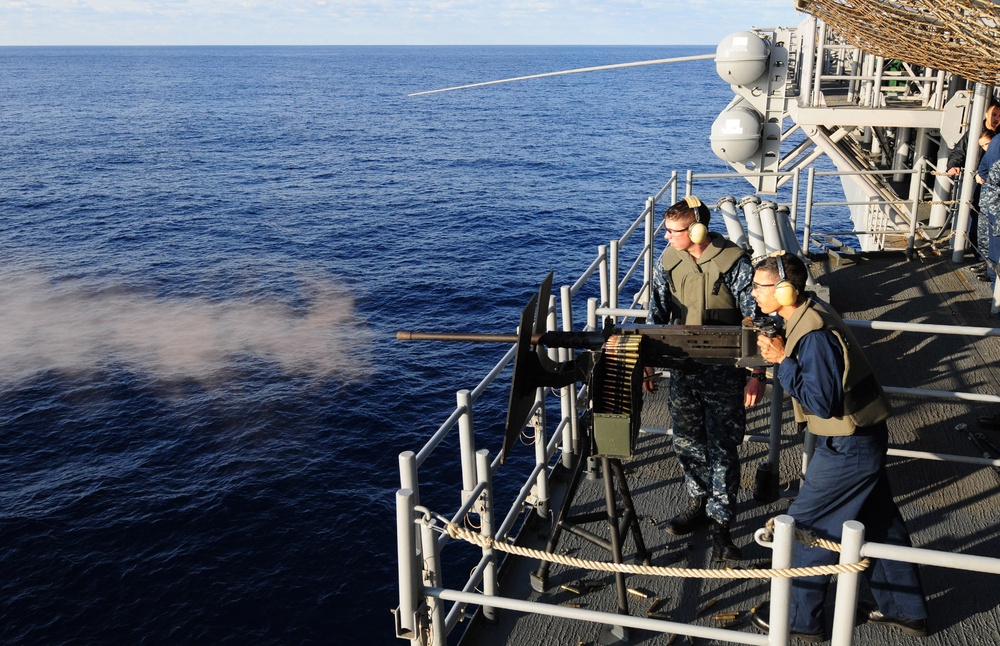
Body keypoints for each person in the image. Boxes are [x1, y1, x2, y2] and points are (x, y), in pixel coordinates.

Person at [748, 253, 928, 641]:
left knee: (805, 528)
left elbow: (822, 400)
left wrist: (782, 361)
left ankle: (797, 618)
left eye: (760, 286)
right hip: (862, 436)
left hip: (847, 446)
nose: (754, 293)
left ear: (785, 290)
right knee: (881, 526)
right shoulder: (809, 313)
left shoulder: (812, 336)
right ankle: (905, 610)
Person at [642, 196, 767, 563]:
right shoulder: (668, 262)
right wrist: (646, 361)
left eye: (672, 230)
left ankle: (721, 526)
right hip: (684, 370)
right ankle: (698, 503)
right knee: (686, 443)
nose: (666, 237)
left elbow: (756, 320)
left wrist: (757, 374)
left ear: (696, 230)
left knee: (723, 449)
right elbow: (657, 313)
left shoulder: (734, 263)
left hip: (725, 372)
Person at [947, 101, 1000, 263]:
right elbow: (960, 150)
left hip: (993, 186)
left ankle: (989, 264)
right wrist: (953, 165)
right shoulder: (976, 131)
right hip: (979, 184)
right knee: (977, 220)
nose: (997, 118)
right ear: (985, 114)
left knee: (992, 225)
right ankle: (982, 259)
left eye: (999, 115)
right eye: (994, 114)